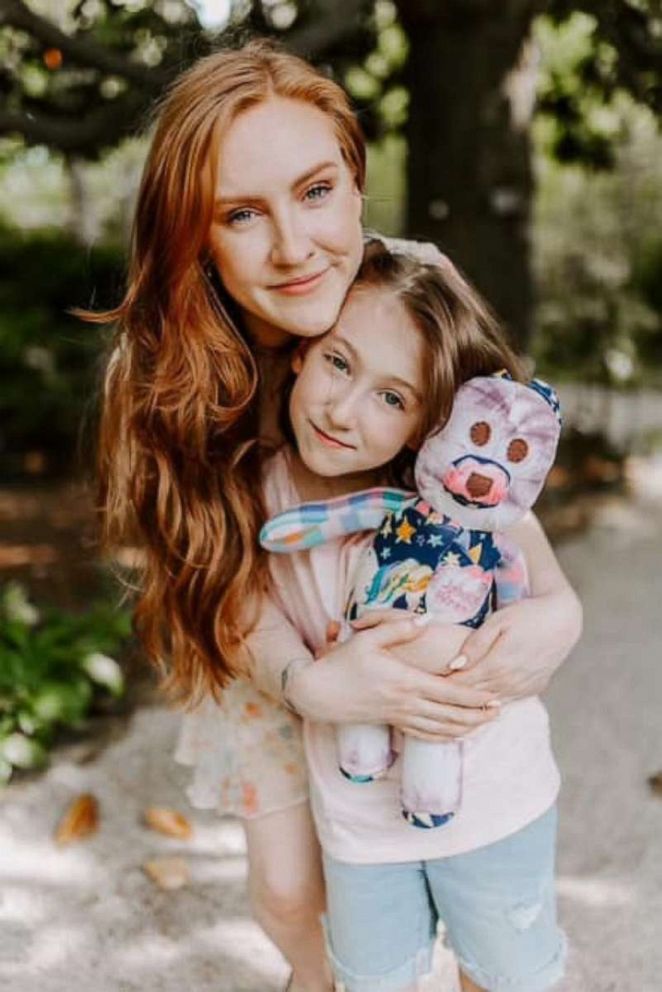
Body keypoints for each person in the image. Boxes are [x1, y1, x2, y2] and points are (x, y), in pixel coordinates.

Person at [87, 40, 582, 992]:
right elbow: (214, 584)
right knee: (285, 889)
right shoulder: (171, 380)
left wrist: (556, 611)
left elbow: (489, 487)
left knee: (466, 855)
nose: (294, 246)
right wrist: (315, 687)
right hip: (258, 641)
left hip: (400, 609)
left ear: (356, 184)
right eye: (240, 214)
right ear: (194, 237)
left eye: (316, 192)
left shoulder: (415, 288)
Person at [260, 240, 567, 992]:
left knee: (503, 972)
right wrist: (309, 683)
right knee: (375, 976)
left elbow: (556, 597)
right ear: (303, 350)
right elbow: (249, 611)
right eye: (339, 363)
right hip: (358, 809)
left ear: (436, 423)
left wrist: (553, 625)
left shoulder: (471, 506)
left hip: (493, 794)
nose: (342, 408)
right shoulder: (262, 489)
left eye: (393, 398)